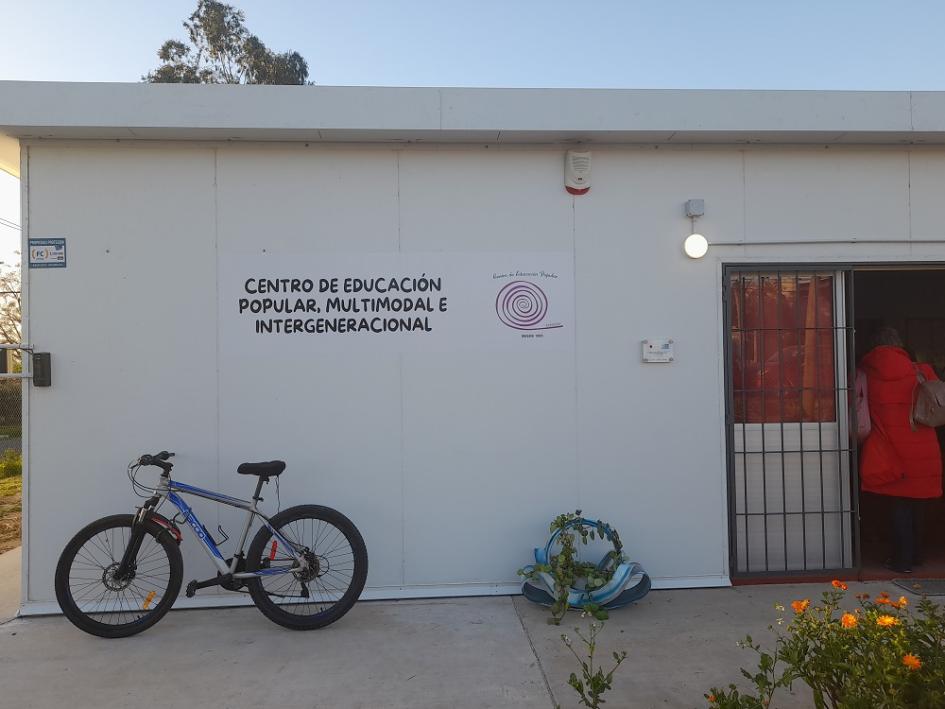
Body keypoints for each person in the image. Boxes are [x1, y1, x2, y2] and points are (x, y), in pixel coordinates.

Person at [859, 327, 943, 573]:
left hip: (890, 449)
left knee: (898, 507)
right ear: (899, 345)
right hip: (924, 448)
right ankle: (916, 555)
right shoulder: (922, 371)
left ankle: (901, 560)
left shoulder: (867, 374)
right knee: (918, 505)